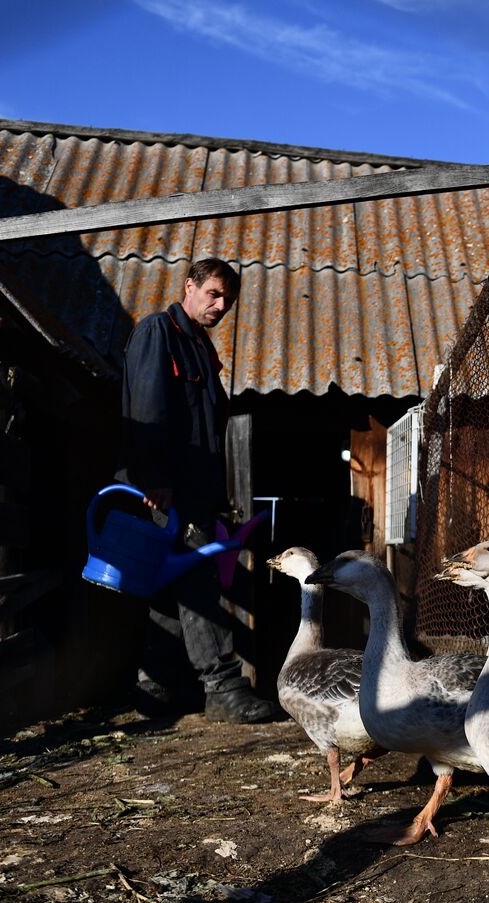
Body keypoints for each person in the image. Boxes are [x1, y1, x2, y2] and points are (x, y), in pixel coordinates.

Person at [116, 258, 277, 724]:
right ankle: (224, 688)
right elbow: (146, 409)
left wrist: (213, 496)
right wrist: (154, 480)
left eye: (227, 300)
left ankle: (160, 687)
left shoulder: (199, 348)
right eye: (213, 294)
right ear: (189, 286)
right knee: (197, 579)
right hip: (165, 490)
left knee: (170, 584)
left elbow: (204, 432)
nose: (221, 306)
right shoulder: (158, 333)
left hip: (191, 491)